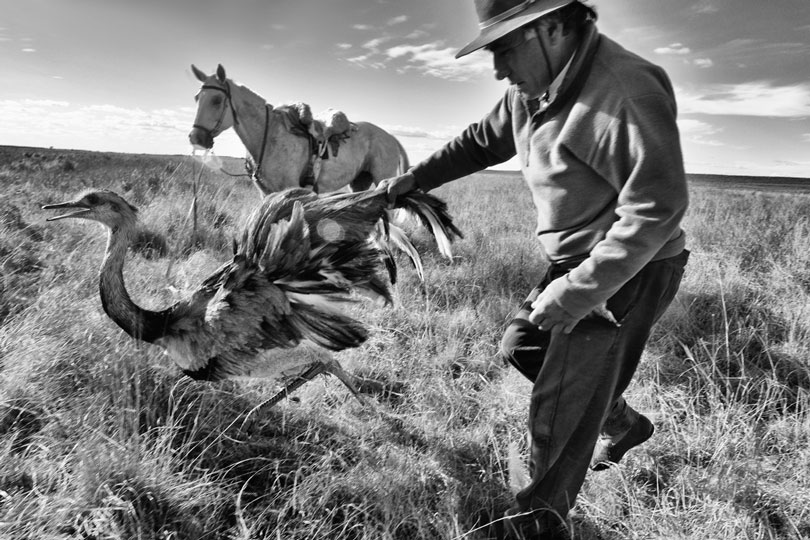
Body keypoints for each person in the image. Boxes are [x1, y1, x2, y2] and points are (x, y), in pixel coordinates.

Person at [378, 0, 690, 538]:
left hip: (628, 268)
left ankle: (534, 524)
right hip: (574, 258)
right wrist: (415, 179)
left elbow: (657, 208)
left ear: (550, 26)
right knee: (521, 344)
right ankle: (620, 421)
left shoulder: (626, 90)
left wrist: (577, 291)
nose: (497, 67)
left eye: (503, 47)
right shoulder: (530, 91)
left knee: (557, 416)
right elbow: (480, 141)